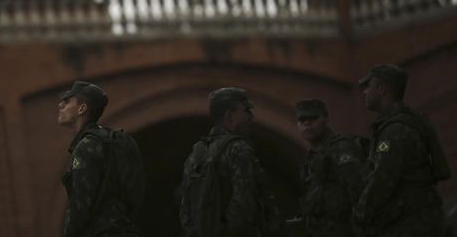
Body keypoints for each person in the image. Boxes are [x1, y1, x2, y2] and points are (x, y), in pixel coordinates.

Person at [352, 64, 451, 237]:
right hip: (419, 221)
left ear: (382, 89)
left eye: (369, 86)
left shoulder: (395, 131)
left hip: (414, 226)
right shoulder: (405, 122)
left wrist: (358, 214)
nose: (364, 92)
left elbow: (381, 181)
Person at [179, 87, 284, 237]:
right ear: (229, 116)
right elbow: (244, 203)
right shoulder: (238, 149)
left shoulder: (196, 154)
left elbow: (185, 208)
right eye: (246, 111)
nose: (251, 116)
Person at [58, 81, 143, 237]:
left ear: (82, 109)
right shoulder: (111, 141)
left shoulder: (85, 147)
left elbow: (81, 206)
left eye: (67, 101)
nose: (60, 106)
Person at [295, 99, 366, 237]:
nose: (307, 123)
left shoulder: (341, 148)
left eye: (313, 118)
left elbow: (360, 192)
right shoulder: (311, 157)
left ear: (326, 119)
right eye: (302, 120)